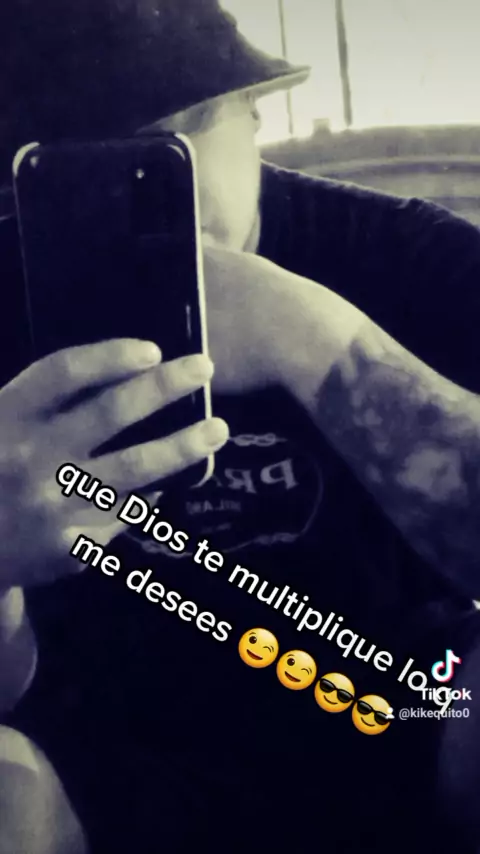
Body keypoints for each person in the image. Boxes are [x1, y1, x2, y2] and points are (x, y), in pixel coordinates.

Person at [1, 1, 480, 852]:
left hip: (419, 713)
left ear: (253, 115)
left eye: (162, 147)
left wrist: (314, 340)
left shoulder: (394, 252)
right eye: (72, 166)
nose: (128, 194)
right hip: (93, 763)